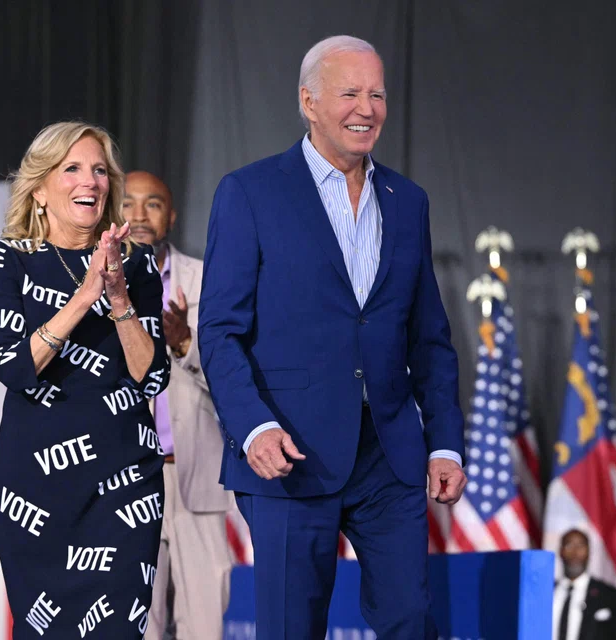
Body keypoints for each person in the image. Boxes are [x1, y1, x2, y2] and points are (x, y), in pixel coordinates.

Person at [198, 35, 467, 639]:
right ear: (309, 101)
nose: (365, 108)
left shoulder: (408, 201)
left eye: (376, 93)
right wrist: (254, 426)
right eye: (349, 92)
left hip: (389, 454)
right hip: (289, 451)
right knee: (292, 626)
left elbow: (429, 338)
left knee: (409, 618)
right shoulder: (250, 192)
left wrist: (445, 443)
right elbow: (218, 331)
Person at [0, 121, 171, 639]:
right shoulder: (9, 258)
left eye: (98, 170)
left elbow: (153, 376)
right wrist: (84, 295)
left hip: (124, 483)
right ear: (40, 189)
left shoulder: (136, 265)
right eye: (71, 169)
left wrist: (118, 300)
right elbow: (15, 368)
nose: (89, 180)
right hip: (37, 493)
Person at [122, 171, 234, 640]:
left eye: (153, 204)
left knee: (204, 627)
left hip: (196, 477)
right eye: (128, 203)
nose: (140, 215)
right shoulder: (93, 284)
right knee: (134, 626)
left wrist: (187, 345)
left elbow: (235, 378)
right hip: (126, 480)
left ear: (170, 216)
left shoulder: (207, 282)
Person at [553, 529, 616, 640]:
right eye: (569, 545)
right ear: (560, 551)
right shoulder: (545, 593)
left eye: (581, 546)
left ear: (589, 552)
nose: (575, 552)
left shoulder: (612, 597)